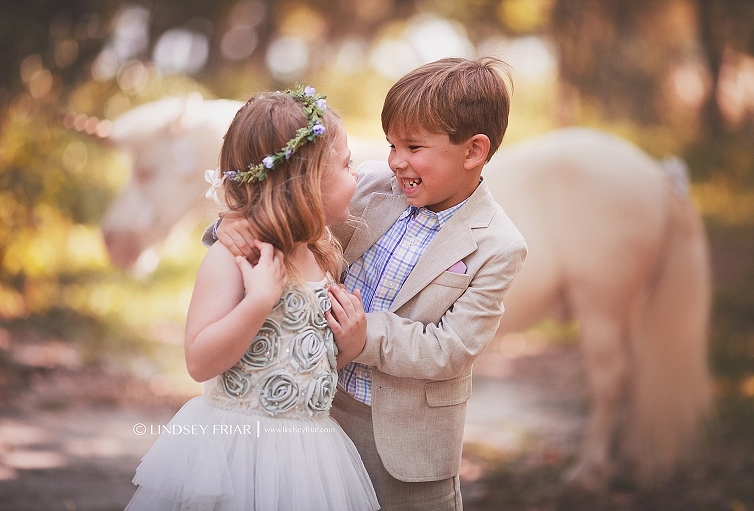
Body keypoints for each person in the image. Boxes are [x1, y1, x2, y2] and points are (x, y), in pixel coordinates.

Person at [214, 57, 528, 510]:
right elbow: (291, 210)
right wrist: (232, 227)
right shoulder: (372, 187)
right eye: (391, 144)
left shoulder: (498, 245)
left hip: (405, 447)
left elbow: (453, 348)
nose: (396, 160)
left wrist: (368, 337)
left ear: (474, 151)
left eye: (414, 146)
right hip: (320, 409)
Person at [126, 85, 379, 511]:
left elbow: (303, 360)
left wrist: (349, 345)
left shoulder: (323, 255)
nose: (358, 176)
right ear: (307, 182)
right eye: (347, 165)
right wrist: (257, 303)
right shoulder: (234, 258)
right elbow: (199, 361)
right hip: (236, 451)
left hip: (308, 455)